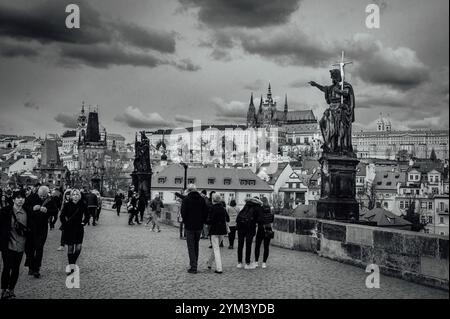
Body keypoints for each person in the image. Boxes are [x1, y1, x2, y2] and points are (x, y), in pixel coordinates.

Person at [0, 189, 30, 299]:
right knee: (7, 267)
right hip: (8, 244)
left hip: (21, 245)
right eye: (18, 197)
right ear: (13, 199)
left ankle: (11, 289)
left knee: (16, 268)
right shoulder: (5, 211)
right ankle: (3, 290)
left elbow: (32, 227)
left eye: (23, 198)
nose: (21, 200)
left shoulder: (27, 212)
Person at [23, 185, 51, 278]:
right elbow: (24, 207)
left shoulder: (49, 199)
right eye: (41, 196)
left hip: (42, 227)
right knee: (30, 248)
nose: (42, 197)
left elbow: (55, 210)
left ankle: (36, 268)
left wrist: (47, 210)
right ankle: (31, 266)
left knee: (39, 247)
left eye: (44, 196)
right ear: (38, 193)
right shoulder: (32, 197)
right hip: (31, 227)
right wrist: (32, 208)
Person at [59, 189, 89, 275]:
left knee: (78, 248)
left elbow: (87, 215)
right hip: (70, 229)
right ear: (71, 196)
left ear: (79, 196)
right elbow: (62, 216)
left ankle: (73, 263)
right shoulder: (67, 205)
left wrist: (84, 222)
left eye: (77, 194)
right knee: (70, 248)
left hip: (79, 228)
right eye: (74, 194)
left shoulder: (82, 204)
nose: (75, 196)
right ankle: (71, 267)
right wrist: (65, 224)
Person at [180, 184, 208, 274]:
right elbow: (205, 212)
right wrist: (202, 221)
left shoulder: (186, 200)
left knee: (191, 247)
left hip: (189, 226)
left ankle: (193, 266)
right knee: (196, 245)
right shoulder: (202, 199)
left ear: (188, 190)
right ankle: (194, 263)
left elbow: (183, 212)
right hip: (199, 226)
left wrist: (186, 221)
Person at [236, 196, 263, 270]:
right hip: (250, 228)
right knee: (248, 245)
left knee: (240, 244)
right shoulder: (258, 207)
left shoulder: (246, 204)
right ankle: (247, 263)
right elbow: (260, 220)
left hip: (241, 226)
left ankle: (239, 262)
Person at [206, 194, 230, 274]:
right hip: (222, 231)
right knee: (215, 248)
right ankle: (209, 263)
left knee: (216, 249)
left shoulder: (212, 208)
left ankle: (219, 268)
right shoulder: (223, 208)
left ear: (213, 200)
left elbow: (210, 220)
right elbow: (228, 219)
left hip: (214, 231)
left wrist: (206, 222)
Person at [254, 197, 274, 269]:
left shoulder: (259, 209)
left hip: (261, 228)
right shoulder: (271, 209)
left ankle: (256, 262)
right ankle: (264, 263)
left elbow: (257, 219)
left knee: (257, 246)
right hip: (268, 228)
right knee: (266, 247)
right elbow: (272, 219)